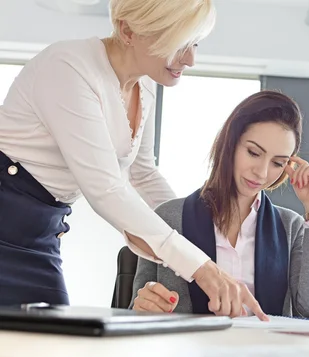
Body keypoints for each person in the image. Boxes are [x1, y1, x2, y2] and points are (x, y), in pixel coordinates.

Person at [0, 0, 266, 320]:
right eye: (179, 44)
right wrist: (201, 267)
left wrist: (203, 238)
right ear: (128, 30)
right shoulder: (67, 67)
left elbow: (142, 174)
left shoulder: (145, 84)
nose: (191, 59)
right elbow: (107, 190)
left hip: (41, 234)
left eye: (194, 43)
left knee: (49, 353)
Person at [130, 90, 309, 319]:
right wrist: (144, 305)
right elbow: (134, 312)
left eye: (278, 163)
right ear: (230, 142)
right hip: (189, 351)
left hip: (268, 352)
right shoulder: (168, 218)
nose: (262, 172)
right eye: (253, 152)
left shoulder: (291, 226)